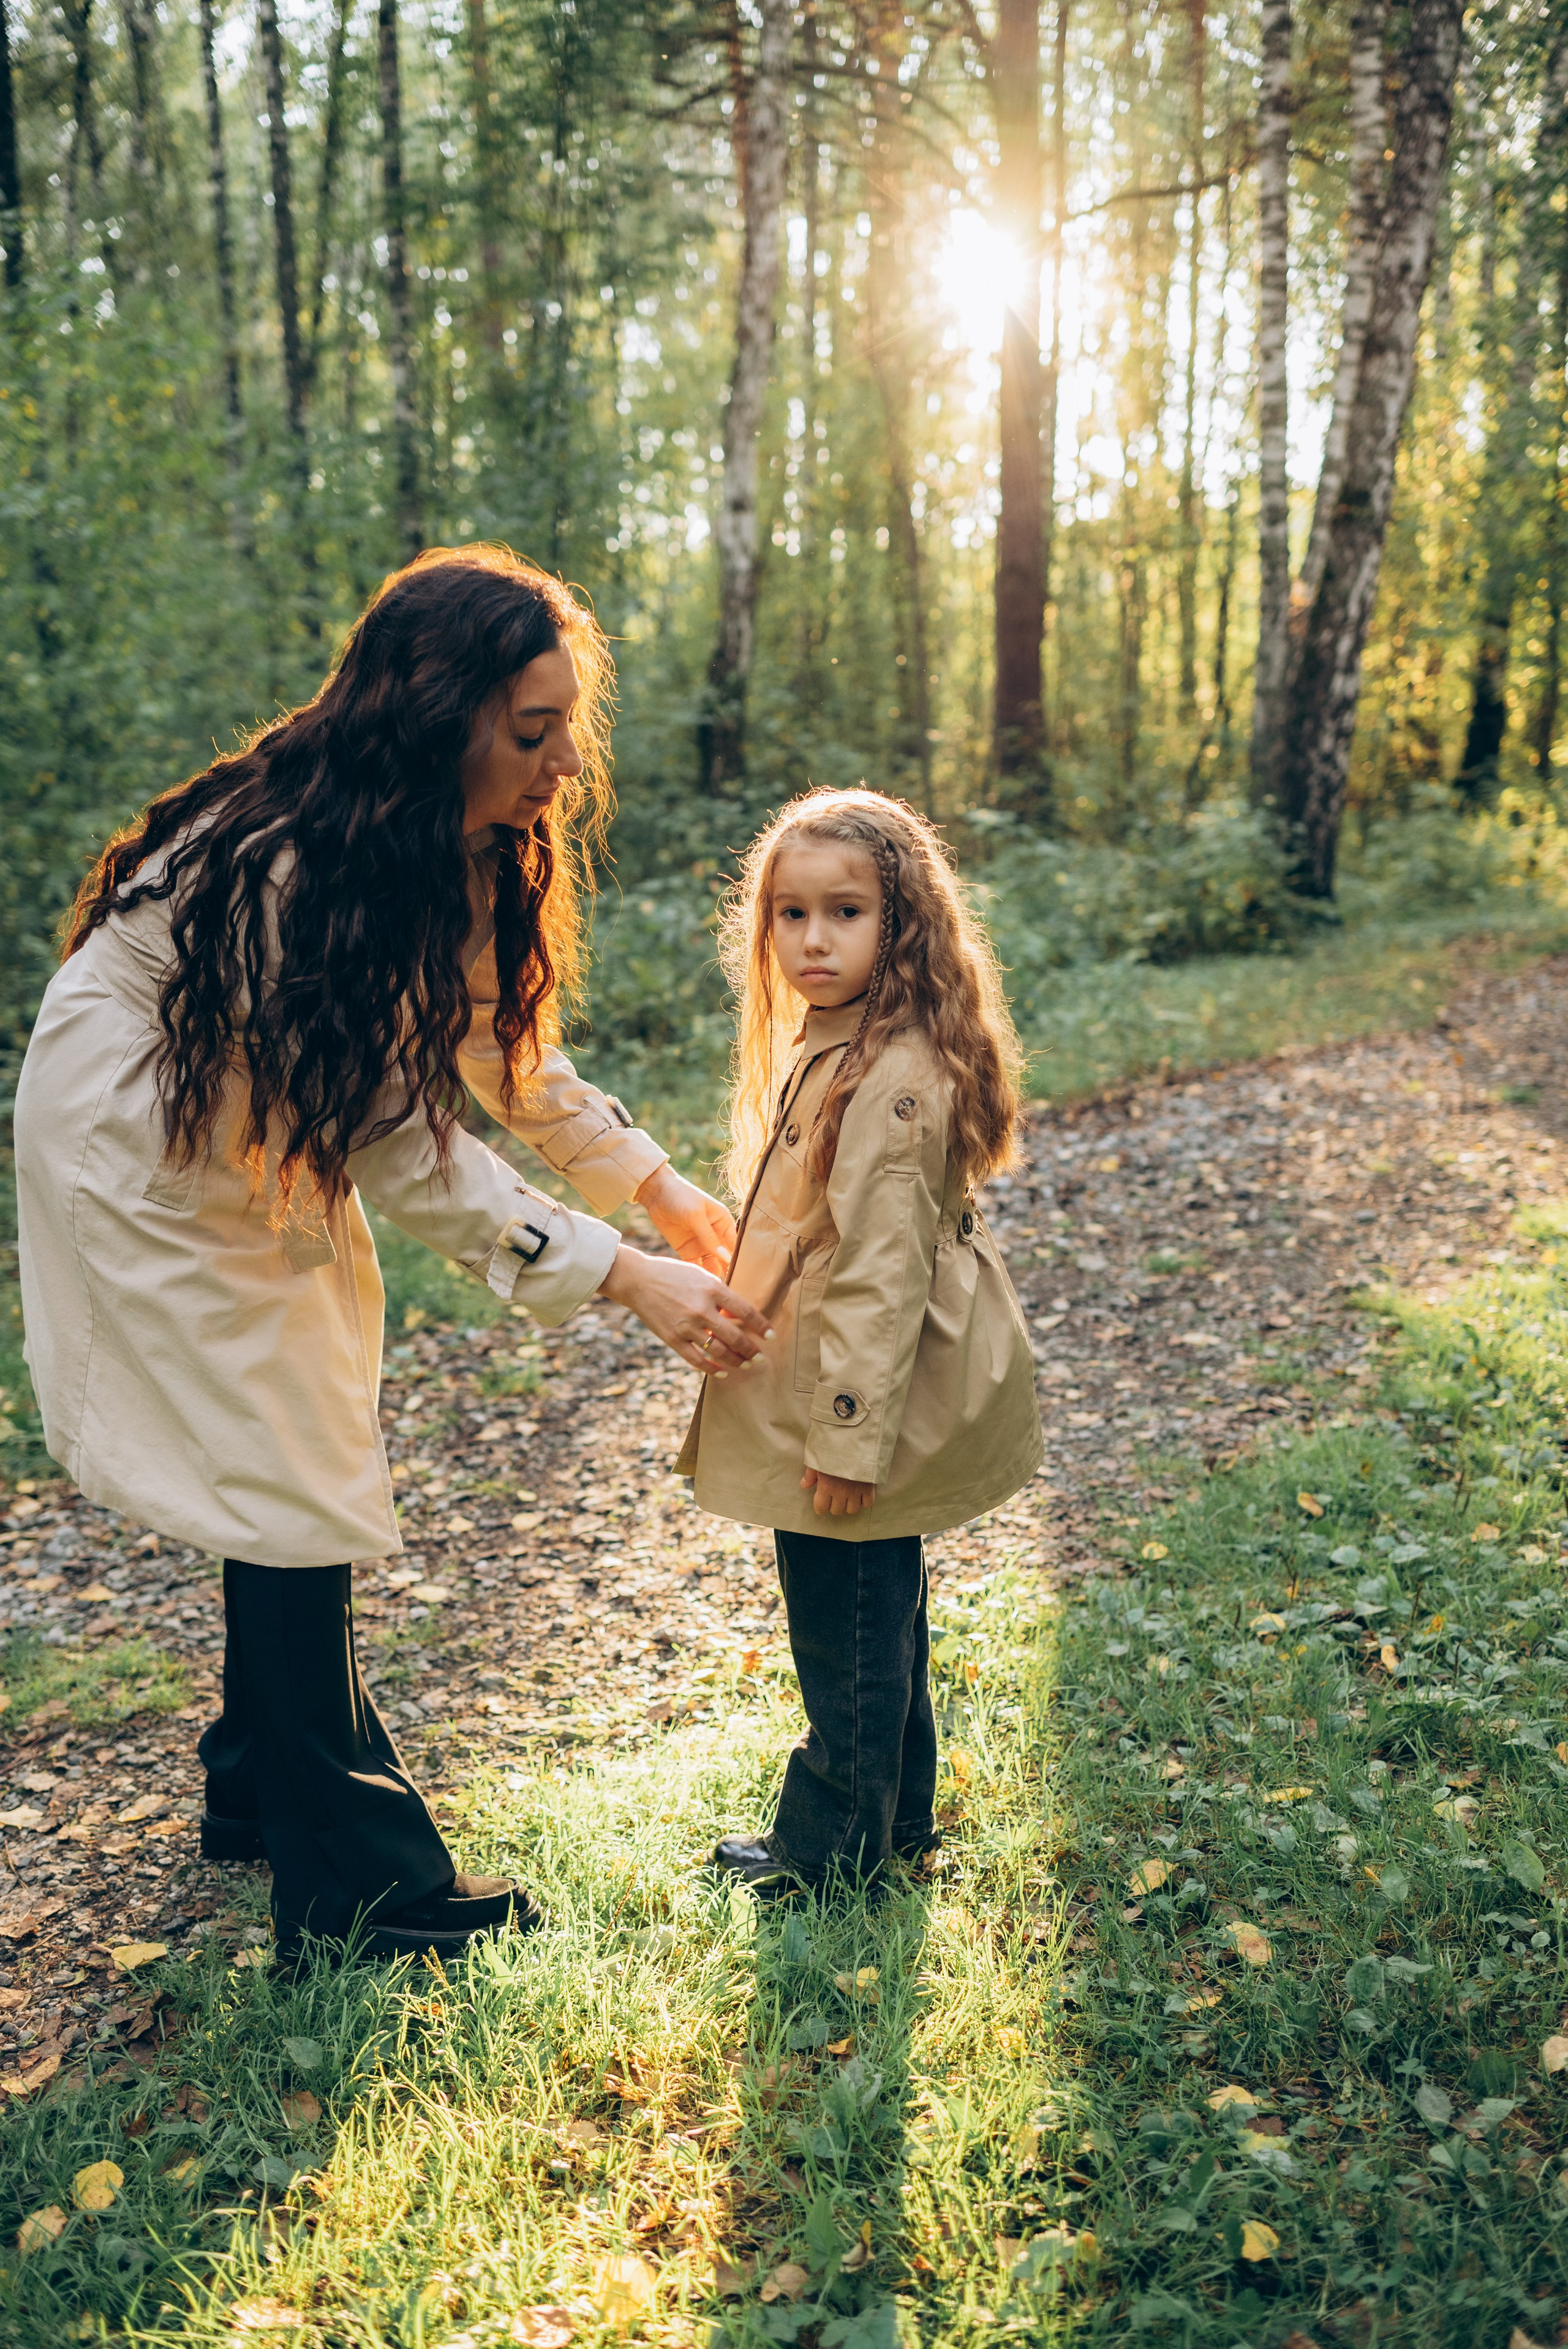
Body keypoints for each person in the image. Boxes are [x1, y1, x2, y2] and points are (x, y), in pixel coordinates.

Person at [13, 544, 771, 1963]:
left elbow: (504, 1056)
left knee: (296, 1422)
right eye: (529, 734)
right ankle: (353, 1883)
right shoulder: (304, 855)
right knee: (288, 1449)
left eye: (566, 732)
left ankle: (260, 1784)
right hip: (133, 1123)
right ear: (437, 715)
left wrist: (659, 1187)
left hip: (238, 1095)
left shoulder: (457, 837)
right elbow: (401, 1146)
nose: (557, 767)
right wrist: (623, 1274)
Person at [678, 787, 1043, 1897]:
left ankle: (836, 1854)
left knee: (850, 1625)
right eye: (791, 915)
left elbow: (879, 1277)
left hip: (863, 1397)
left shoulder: (891, 1073)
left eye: (845, 912)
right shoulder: (846, 1042)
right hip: (848, 1384)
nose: (813, 939)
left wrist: (844, 1436)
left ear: (903, 925)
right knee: (877, 1612)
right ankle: (892, 1822)